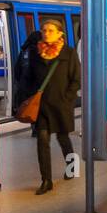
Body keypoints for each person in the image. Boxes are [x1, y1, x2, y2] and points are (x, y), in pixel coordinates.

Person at [14, 20, 81, 195]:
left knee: (63, 138)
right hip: (42, 106)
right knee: (42, 140)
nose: (46, 33)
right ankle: (46, 180)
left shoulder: (69, 52)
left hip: (61, 105)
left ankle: (72, 167)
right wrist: (30, 96)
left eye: (51, 30)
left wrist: (68, 98)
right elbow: (27, 78)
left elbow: (76, 79)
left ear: (60, 34)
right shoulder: (36, 53)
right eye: (44, 30)